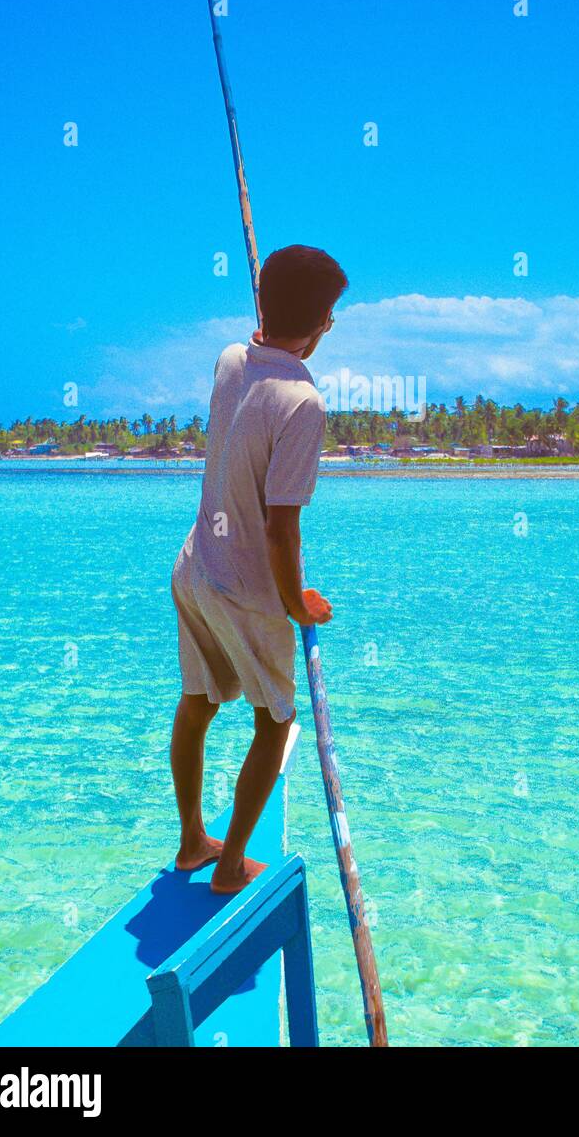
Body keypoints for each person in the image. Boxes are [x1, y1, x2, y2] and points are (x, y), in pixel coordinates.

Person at [169, 244, 348, 892]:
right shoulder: (304, 403)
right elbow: (280, 527)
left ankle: (192, 840)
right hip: (246, 588)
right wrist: (296, 602)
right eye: (329, 314)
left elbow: (258, 347)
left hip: (194, 570)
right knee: (274, 721)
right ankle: (227, 866)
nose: (331, 324)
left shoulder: (227, 359)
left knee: (196, 704)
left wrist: (276, 328)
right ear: (321, 322)